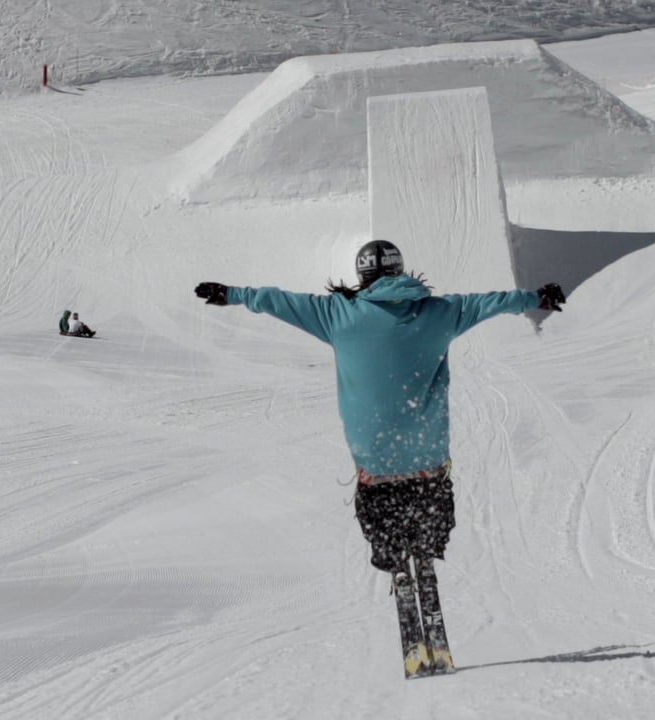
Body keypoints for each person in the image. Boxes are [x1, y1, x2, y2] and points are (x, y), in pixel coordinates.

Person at [194, 240, 565, 678]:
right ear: (402, 271)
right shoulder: (441, 312)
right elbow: (491, 302)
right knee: (430, 508)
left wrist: (233, 294)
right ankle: (425, 553)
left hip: (376, 461)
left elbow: (279, 301)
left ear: (362, 277)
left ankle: (396, 564)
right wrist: (536, 296)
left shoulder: (336, 314)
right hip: (427, 455)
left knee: (381, 518)